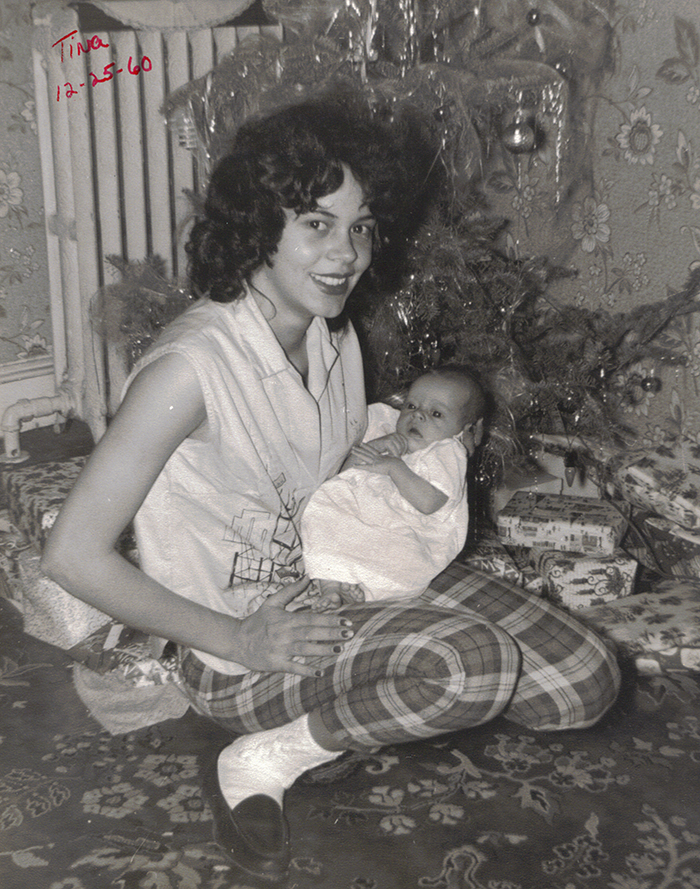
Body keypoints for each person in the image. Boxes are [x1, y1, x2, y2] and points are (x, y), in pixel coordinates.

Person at [42, 89, 621, 885]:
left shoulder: (331, 333)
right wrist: (234, 639)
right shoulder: (188, 371)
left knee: (585, 681)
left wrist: (425, 459)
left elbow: (337, 464)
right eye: (317, 223)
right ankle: (270, 752)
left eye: (360, 226)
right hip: (245, 640)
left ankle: (356, 706)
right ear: (258, 225)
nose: (347, 252)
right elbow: (71, 555)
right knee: (474, 665)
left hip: (345, 578)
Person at [301, 366, 486, 610]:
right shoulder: (387, 433)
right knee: (327, 511)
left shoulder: (446, 452)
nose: (418, 416)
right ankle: (331, 587)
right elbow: (343, 475)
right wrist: (379, 446)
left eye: (436, 414)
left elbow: (430, 502)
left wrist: (393, 467)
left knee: (395, 558)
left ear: (464, 431)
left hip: (410, 534)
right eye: (411, 406)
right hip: (364, 521)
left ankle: (365, 590)